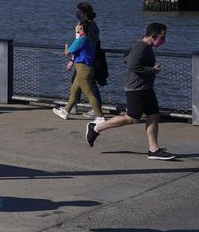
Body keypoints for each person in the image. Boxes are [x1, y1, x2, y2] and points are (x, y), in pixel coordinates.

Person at [87, 23, 176, 160]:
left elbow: (126, 58)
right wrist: (152, 70)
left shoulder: (144, 47)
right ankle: (95, 128)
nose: (163, 40)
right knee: (131, 118)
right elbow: (132, 64)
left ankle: (153, 149)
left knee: (154, 116)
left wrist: (149, 69)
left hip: (147, 88)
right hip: (137, 89)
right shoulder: (141, 47)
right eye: (162, 37)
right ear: (153, 36)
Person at [54, 22, 103, 120]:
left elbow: (68, 52)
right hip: (88, 68)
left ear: (81, 27)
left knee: (89, 93)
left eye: (78, 25)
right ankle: (65, 111)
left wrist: (66, 47)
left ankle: (100, 117)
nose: (76, 26)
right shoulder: (91, 38)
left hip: (82, 69)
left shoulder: (82, 39)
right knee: (74, 91)